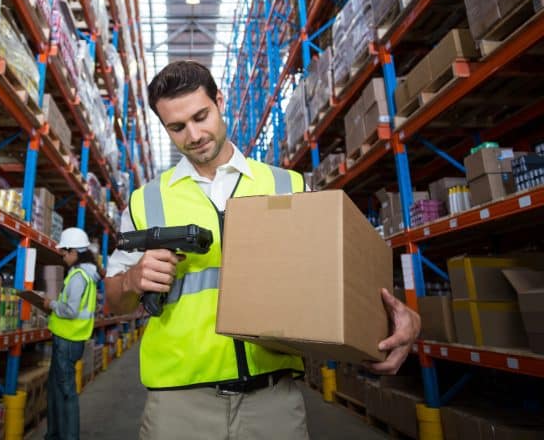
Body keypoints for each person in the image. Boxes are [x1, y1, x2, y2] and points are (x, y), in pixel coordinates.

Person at [105, 61, 421, 440]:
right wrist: (132, 279)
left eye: (201, 116)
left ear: (220, 102)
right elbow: (114, 302)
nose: (193, 135)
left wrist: (400, 319)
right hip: (178, 406)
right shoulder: (145, 201)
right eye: (177, 127)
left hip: (273, 402)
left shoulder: (285, 184)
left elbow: (338, 274)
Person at [43, 227, 101, 440]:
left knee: (67, 394)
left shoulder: (78, 276)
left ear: (75, 252)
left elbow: (70, 310)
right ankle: (55, 434)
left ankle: (68, 436)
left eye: (65, 252)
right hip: (70, 340)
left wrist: (51, 304)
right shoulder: (88, 274)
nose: (63, 256)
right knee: (57, 390)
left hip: (67, 341)